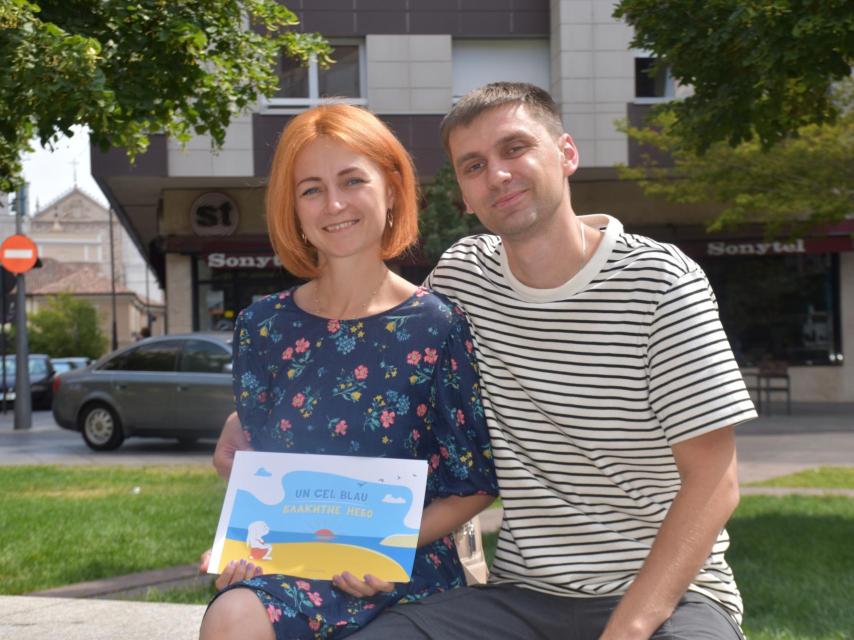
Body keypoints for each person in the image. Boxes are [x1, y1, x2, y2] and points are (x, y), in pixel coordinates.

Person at [215, 83, 757, 640]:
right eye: (473, 166)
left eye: (515, 148)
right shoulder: (462, 278)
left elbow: (715, 482)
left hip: (671, 597)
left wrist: (629, 628)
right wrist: (246, 422)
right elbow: (374, 349)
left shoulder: (661, 282)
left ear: (567, 153)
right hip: (521, 595)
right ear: (465, 196)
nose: (497, 174)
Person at [199, 103, 498, 640]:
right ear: (292, 208)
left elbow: (473, 485)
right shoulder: (261, 328)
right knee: (232, 614)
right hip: (292, 569)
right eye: (311, 189)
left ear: (392, 189)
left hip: (401, 568)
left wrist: (380, 546)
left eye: (352, 180)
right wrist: (245, 542)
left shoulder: (439, 325)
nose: (334, 204)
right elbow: (263, 473)